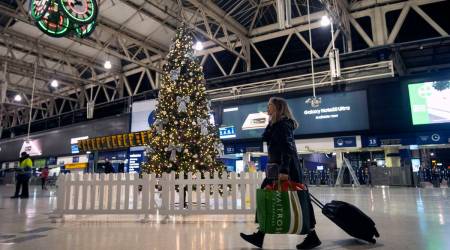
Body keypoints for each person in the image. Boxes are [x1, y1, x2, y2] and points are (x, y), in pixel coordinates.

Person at [240, 97, 321, 249]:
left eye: (269, 106)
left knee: (296, 200)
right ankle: (260, 235)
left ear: (278, 107)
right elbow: (271, 141)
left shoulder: (283, 125)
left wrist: (284, 170)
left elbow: (287, 149)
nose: (267, 108)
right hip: (275, 169)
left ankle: (312, 236)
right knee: (267, 199)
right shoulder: (276, 124)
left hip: (284, 169)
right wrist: (270, 123)